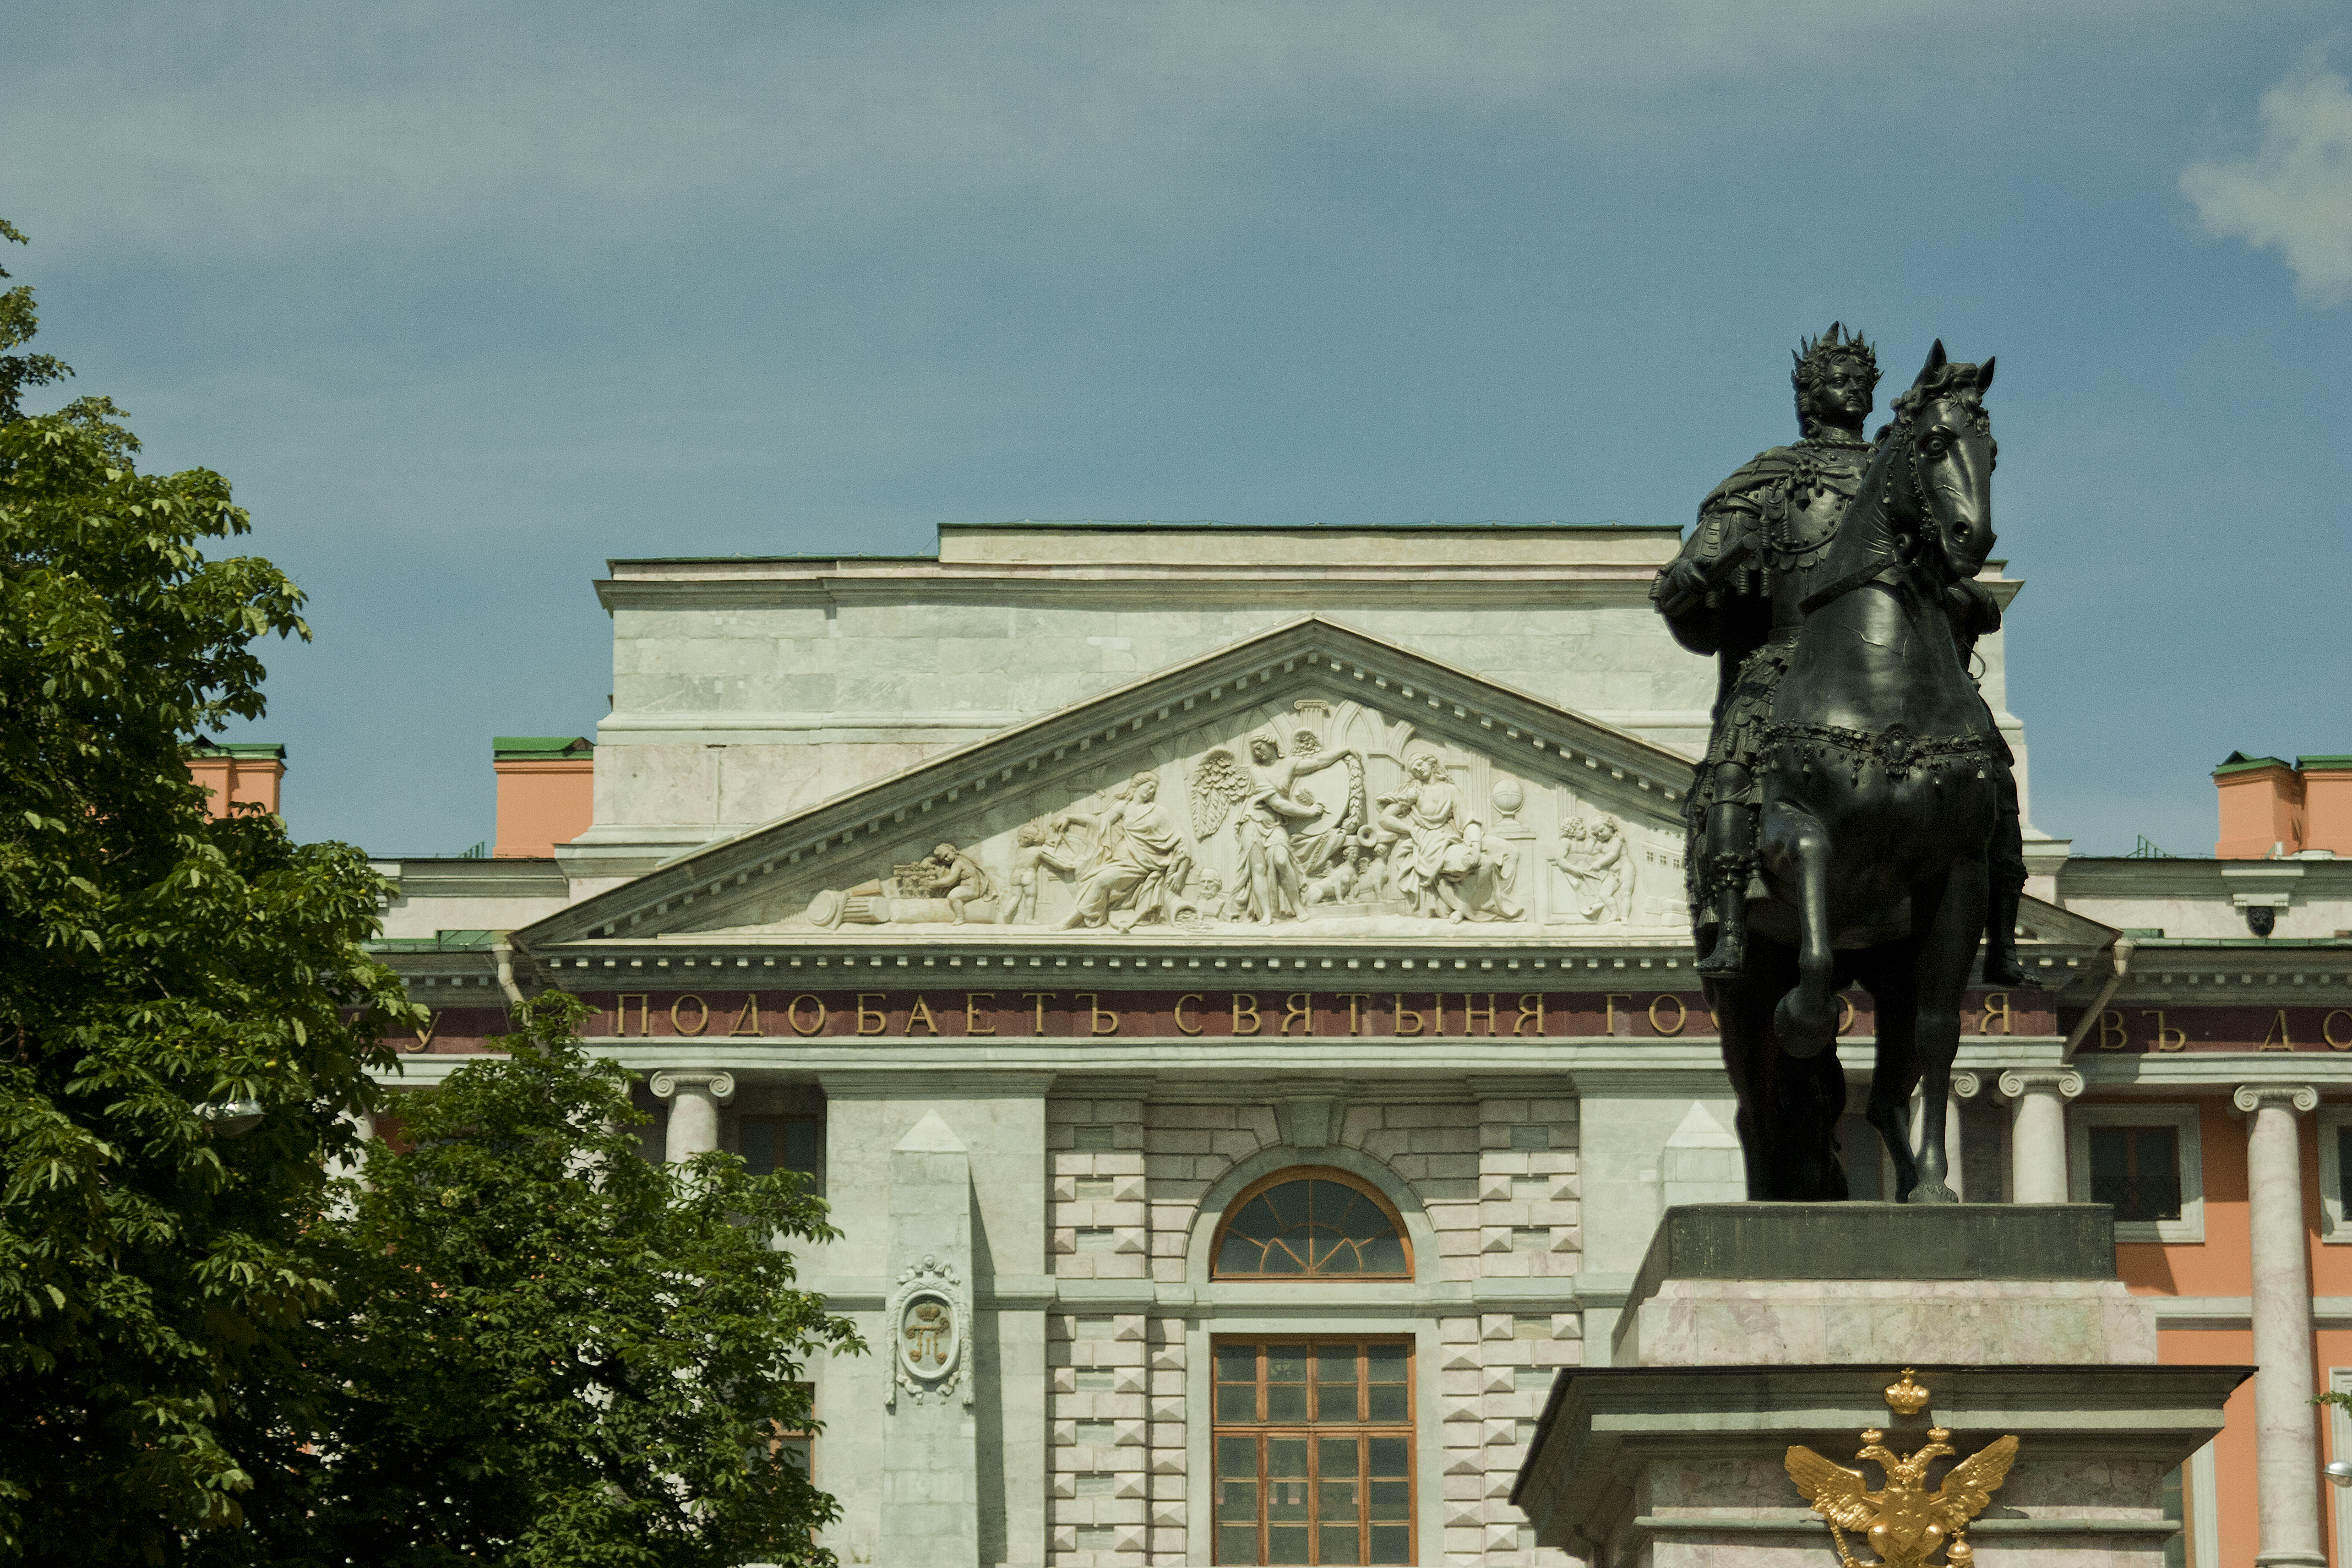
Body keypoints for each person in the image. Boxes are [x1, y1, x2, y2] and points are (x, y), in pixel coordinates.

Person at [1651, 323, 1881, 979]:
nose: (1854, 390)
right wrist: (1699, 575)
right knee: (1732, 769)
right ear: (1810, 398)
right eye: (1839, 380)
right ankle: (1728, 916)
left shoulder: (1900, 475)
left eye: (1863, 381)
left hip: (1886, 656)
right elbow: (1687, 576)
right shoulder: (1773, 480)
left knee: (1985, 766)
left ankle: (1998, 905)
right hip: (1787, 660)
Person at [1057, 771, 1193, 929]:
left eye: (1153, 791)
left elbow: (1183, 840)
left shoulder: (1160, 813)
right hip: (1123, 861)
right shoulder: (1123, 807)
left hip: (1145, 864)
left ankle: (1073, 918)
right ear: (1136, 786)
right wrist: (1069, 817)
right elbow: (1098, 821)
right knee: (1094, 878)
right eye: (1148, 787)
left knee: (1100, 879)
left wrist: (1181, 873)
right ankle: (1083, 914)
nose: (1150, 792)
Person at [923, 842, 993, 924]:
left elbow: (950, 880)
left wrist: (934, 883)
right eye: (943, 859)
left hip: (971, 889)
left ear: (953, 850)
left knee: (953, 896)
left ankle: (960, 917)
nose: (946, 859)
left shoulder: (959, 863)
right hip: (967, 888)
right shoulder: (959, 860)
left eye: (947, 855)